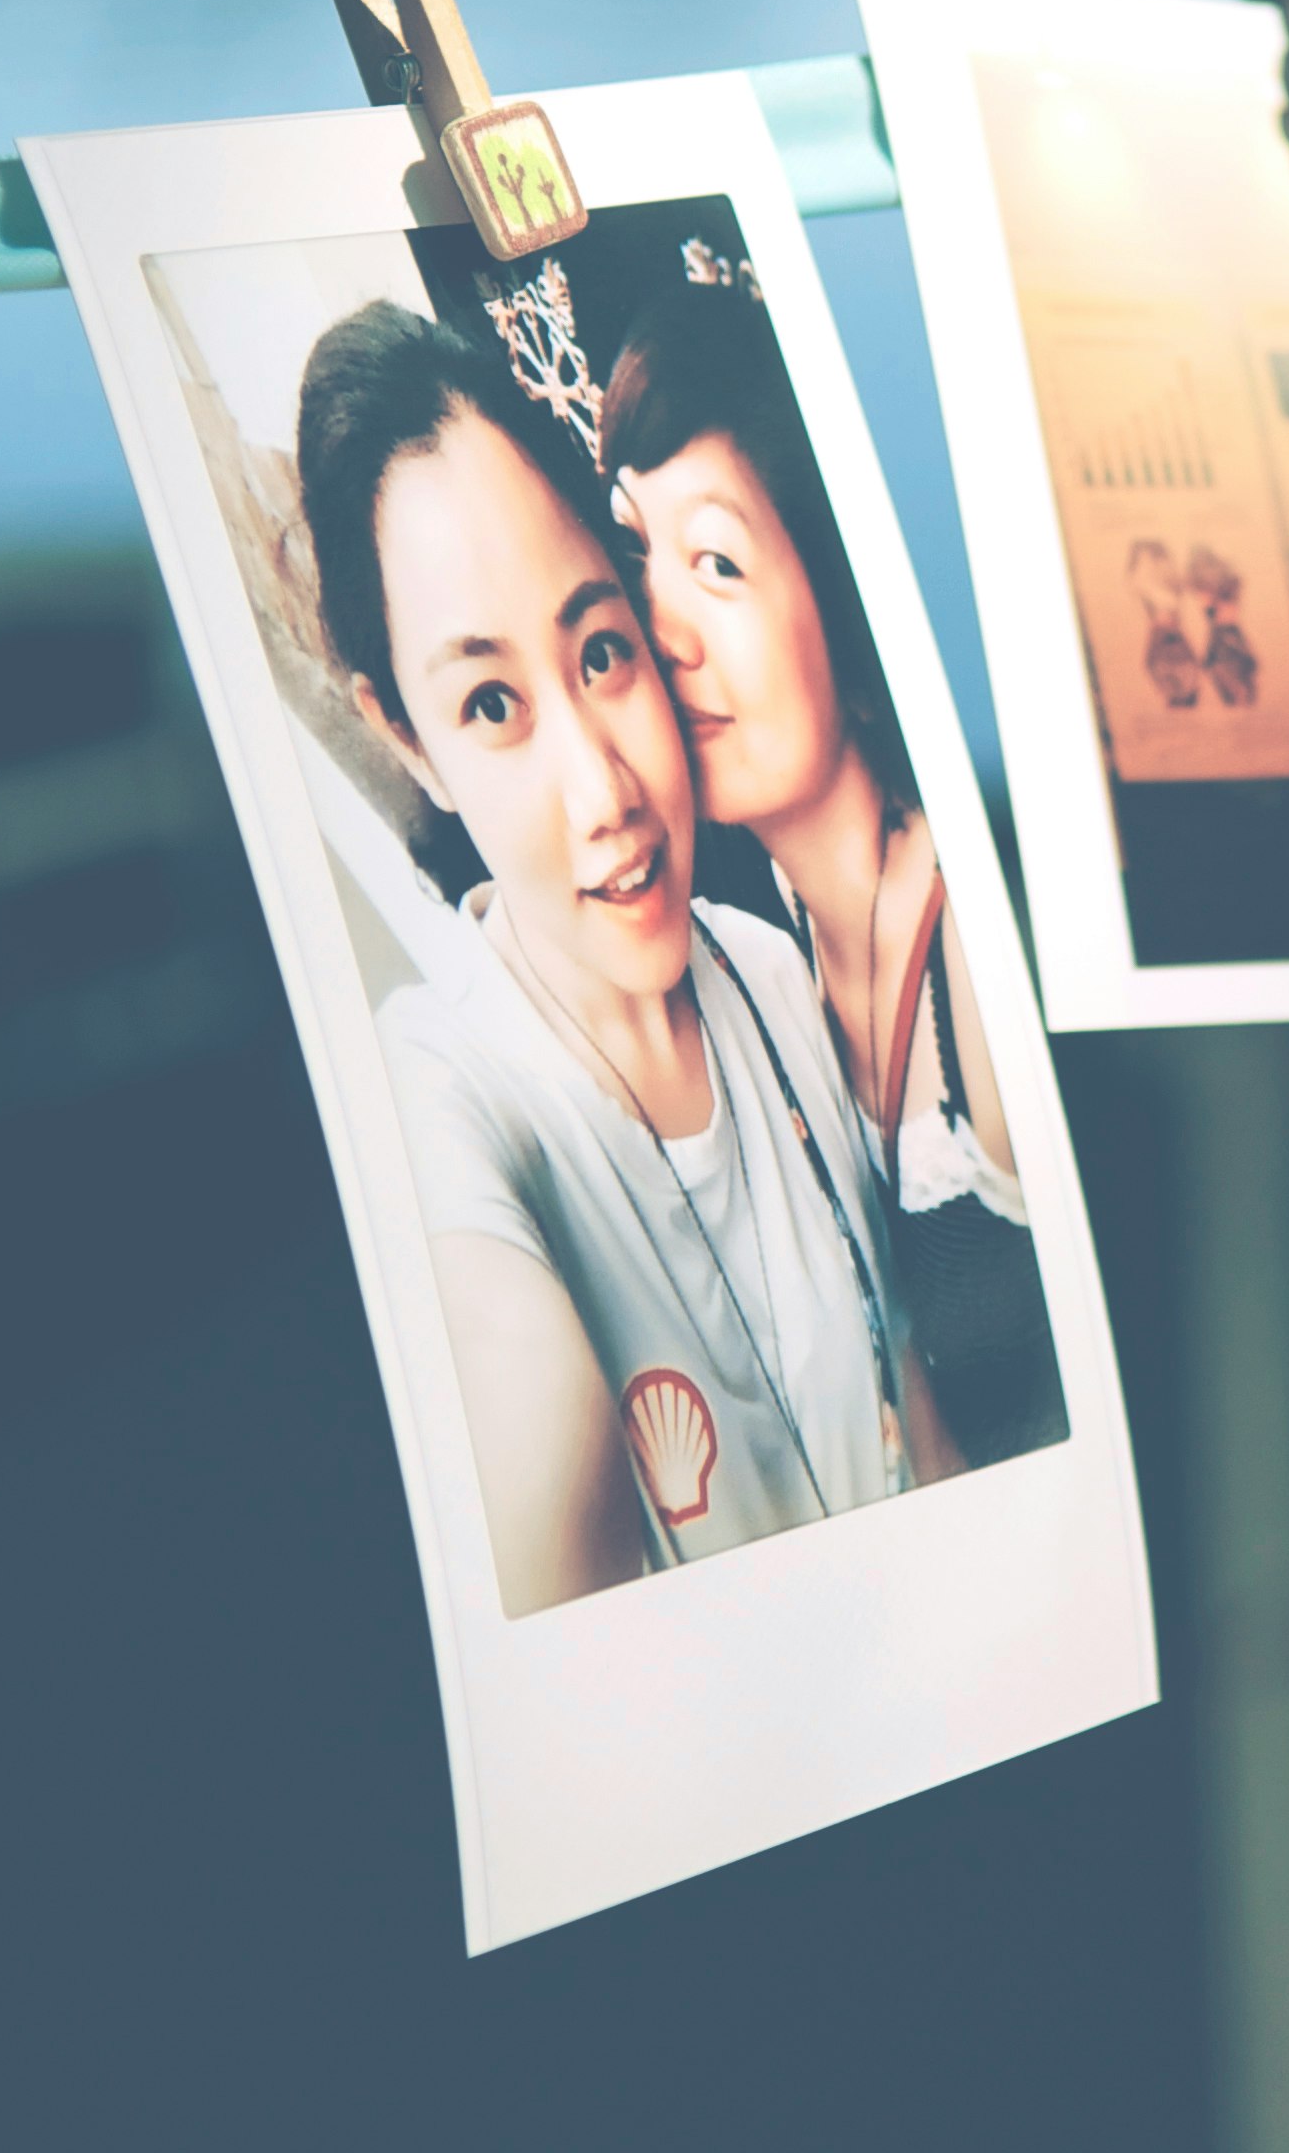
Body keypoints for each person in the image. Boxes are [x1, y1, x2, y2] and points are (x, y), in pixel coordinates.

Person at [296, 301, 949, 1619]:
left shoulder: (773, 979)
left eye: (601, 651)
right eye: (490, 705)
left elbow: (912, 1428)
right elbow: (519, 1388)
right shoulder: (436, 1093)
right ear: (406, 739)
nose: (602, 788)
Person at [602, 287, 1068, 1469]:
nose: (665, 630)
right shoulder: (741, 952)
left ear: (838, 595)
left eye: (717, 562)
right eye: (635, 554)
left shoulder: (979, 963)